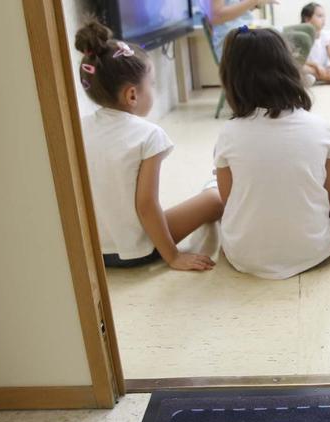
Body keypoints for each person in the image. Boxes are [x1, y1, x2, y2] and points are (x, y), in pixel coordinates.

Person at [75, 22, 222, 271]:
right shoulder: (149, 135)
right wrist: (173, 256)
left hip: (92, 249)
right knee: (215, 199)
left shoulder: (78, 128)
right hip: (136, 251)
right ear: (132, 95)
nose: (153, 90)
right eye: (151, 84)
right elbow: (146, 205)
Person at [214, 27, 330, 279]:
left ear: (231, 78)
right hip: (315, 249)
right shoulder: (319, 126)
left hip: (244, 255)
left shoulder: (229, 133)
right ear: (290, 68)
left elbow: (229, 199)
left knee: (210, 188)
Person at [201, 0, 278, 59]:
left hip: (240, 34)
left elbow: (232, 8)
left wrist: (255, 3)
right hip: (233, 40)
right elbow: (216, 17)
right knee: (283, 40)